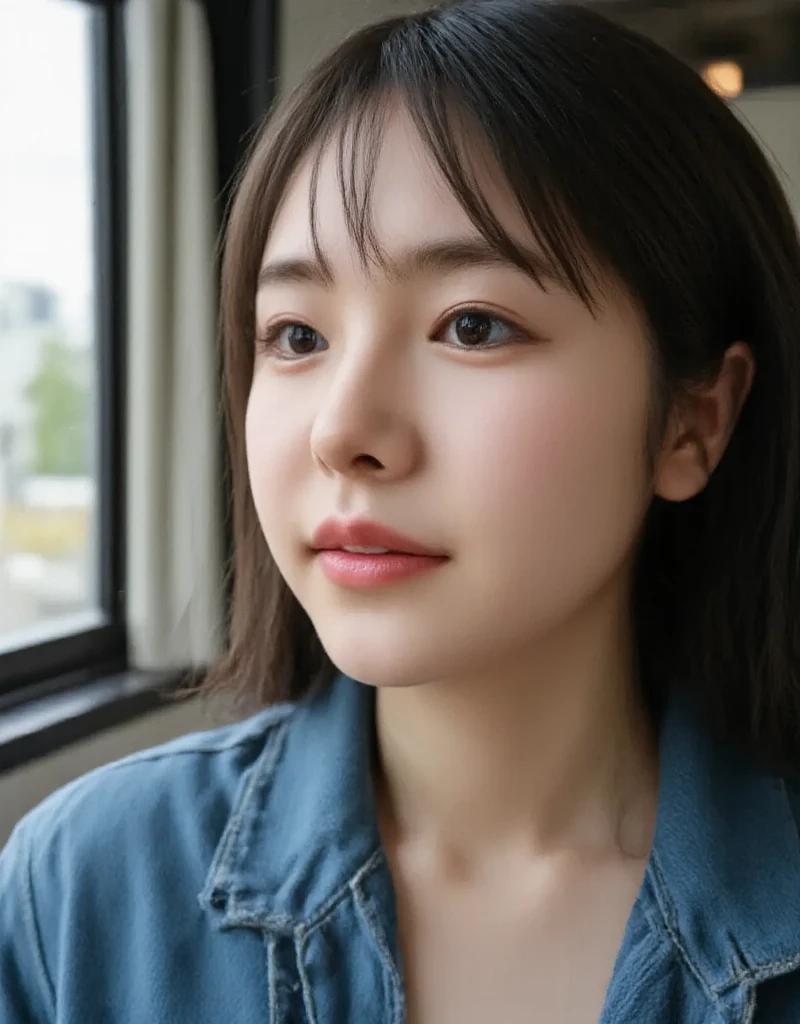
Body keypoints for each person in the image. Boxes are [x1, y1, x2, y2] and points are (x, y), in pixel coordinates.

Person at [4, 0, 800, 1020]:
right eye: (294, 335)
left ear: (692, 421)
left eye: (471, 324)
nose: (342, 430)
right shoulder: (81, 892)